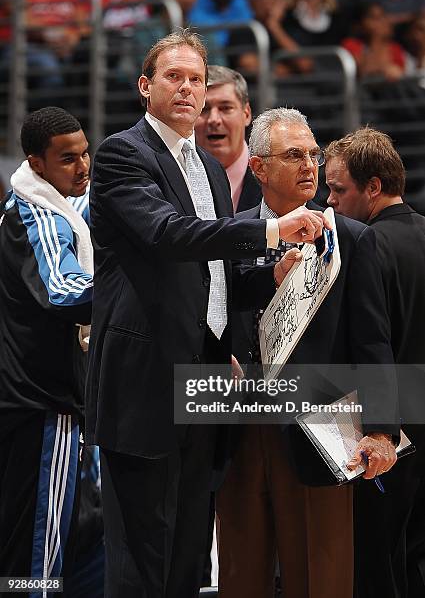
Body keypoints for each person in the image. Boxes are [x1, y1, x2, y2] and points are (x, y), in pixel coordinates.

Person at [84, 29, 329, 598]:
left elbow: (211, 276)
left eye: (196, 78)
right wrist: (268, 229)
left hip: (208, 377)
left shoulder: (215, 171)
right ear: (146, 86)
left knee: (191, 552)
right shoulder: (123, 154)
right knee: (142, 556)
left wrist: (266, 275)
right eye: (174, 76)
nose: (188, 88)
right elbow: (169, 236)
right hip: (146, 378)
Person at [218, 107, 399, 598]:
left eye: (314, 155)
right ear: (258, 167)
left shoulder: (352, 239)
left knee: (321, 574)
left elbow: (372, 341)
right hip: (236, 421)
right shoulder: (225, 237)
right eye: (293, 155)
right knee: (239, 572)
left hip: (320, 424)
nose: (309, 166)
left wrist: (382, 430)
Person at [325, 126, 425, 598]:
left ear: (374, 187)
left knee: (379, 564)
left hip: (395, 435)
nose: (330, 202)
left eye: (338, 189)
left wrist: (381, 431)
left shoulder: (367, 243)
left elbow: (373, 343)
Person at [0, 106, 93, 595]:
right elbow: (65, 290)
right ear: (36, 163)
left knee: (32, 537)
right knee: (41, 545)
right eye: (67, 160)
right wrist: (135, 291)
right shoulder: (37, 213)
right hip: (45, 403)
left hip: (30, 398)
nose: (82, 168)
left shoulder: (40, 202)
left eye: (84, 154)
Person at [194, 65, 262, 213]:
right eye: (204, 109)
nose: (214, 119)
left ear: (246, 114)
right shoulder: (173, 177)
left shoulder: (275, 177)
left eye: (225, 108)